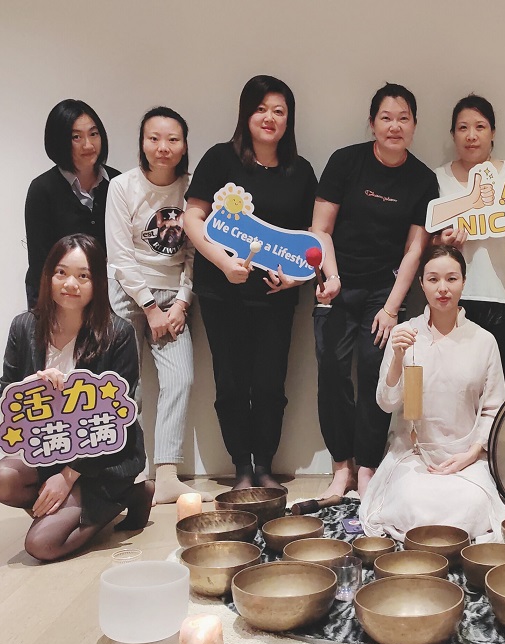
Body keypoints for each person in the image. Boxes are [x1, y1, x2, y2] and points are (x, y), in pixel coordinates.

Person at [184, 76, 317, 490]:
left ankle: (265, 467)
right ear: (245, 114)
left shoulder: (300, 171)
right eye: (260, 109)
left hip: (275, 298)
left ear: (289, 119)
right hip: (221, 292)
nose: (269, 118)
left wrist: (294, 280)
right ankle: (241, 468)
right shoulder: (219, 159)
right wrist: (224, 263)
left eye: (279, 111)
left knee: (270, 384)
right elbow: (192, 218)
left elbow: (310, 241)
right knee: (230, 382)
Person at [0, 234, 151, 562]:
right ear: (48, 276)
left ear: (97, 282)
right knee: (0, 479)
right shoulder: (24, 327)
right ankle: (62, 509)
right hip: (51, 446)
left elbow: (118, 418)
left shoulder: (117, 333)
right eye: (61, 273)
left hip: (103, 458)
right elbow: (7, 395)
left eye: (83, 275)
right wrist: (29, 385)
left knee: (41, 545)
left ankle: (130, 494)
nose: (70, 284)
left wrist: (68, 476)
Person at [312, 83, 439, 498]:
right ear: (372, 123)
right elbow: (321, 229)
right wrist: (331, 277)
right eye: (386, 117)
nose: (394, 126)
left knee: (375, 372)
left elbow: (414, 249)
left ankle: (367, 466)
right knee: (332, 371)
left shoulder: (423, 179)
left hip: (384, 291)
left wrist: (391, 308)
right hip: (336, 284)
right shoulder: (345, 162)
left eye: (403, 118)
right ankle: (341, 466)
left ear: (414, 125)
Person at [360, 245, 505, 542]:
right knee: (412, 502)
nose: (442, 288)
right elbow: (387, 403)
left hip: (465, 455)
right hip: (414, 453)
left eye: (451, 279)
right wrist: (397, 358)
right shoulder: (406, 334)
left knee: (472, 504)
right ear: (421, 284)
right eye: (433, 279)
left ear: (464, 282)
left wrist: (472, 454)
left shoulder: (484, 341)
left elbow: (493, 409)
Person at [105, 106, 204, 505]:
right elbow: (119, 255)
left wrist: (181, 302)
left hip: (174, 295)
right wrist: (149, 307)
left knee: (180, 379)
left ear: (184, 146)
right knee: (124, 385)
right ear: (142, 143)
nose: (163, 147)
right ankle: (125, 474)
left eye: (172, 139)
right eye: (154, 138)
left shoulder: (193, 188)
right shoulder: (122, 186)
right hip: (128, 294)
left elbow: (196, 251)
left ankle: (166, 476)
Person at [432, 95, 505, 394]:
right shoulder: (438, 179)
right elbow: (427, 240)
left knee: (497, 386)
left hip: (503, 297)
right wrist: (443, 241)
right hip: (451, 297)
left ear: (493, 132)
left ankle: (493, 430)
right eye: (463, 127)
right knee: (452, 387)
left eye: (480, 126)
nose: (471, 135)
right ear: (453, 134)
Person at [24, 100, 121, 307]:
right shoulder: (42, 189)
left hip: (109, 296)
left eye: (93, 134)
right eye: (76, 137)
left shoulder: (117, 182)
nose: (88, 145)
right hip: (57, 296)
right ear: (58, 141)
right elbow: (40, 260)